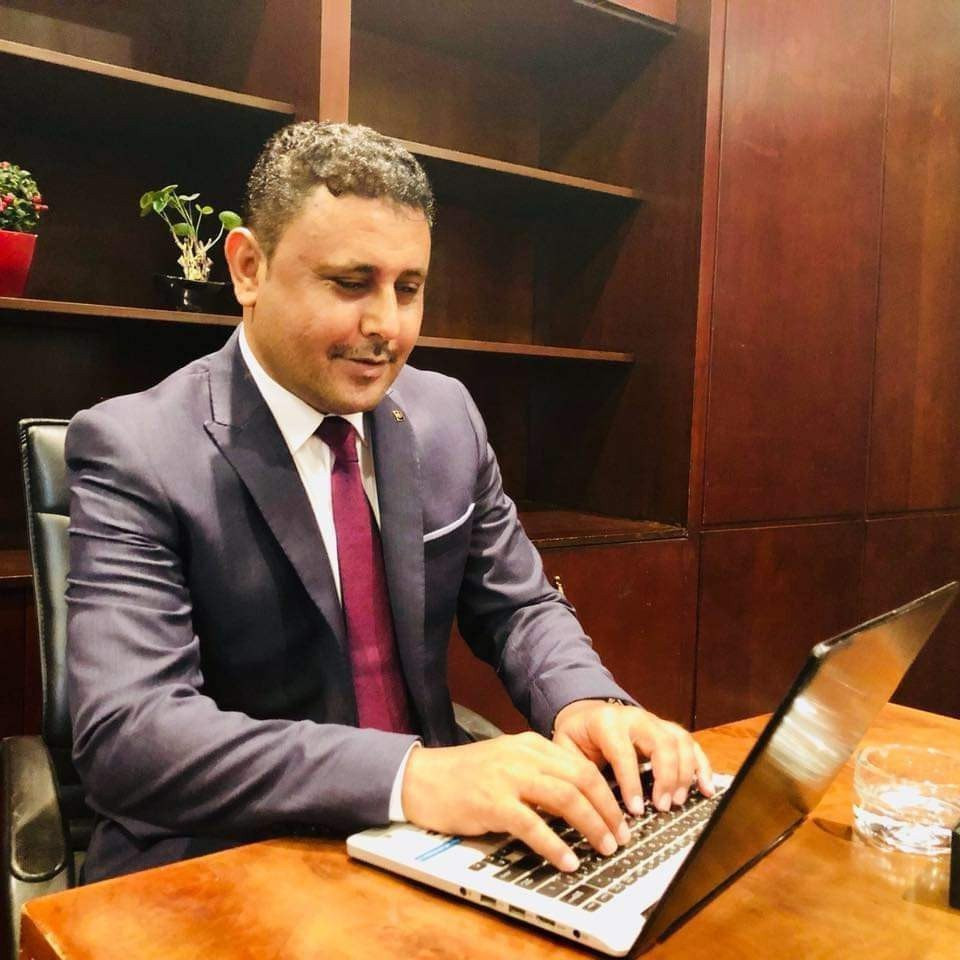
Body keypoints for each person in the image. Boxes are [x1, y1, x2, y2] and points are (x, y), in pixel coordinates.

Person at [66, 121, 713, 883]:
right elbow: (130, 736)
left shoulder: (446, 416)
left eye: (409, 289)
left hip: (436, 844)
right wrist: (409, 776)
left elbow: (519, 607)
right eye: (351, 283)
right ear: (247, 268)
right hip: (235, 851)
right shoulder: (135, 447)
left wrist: (588, 704)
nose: (388, 327)